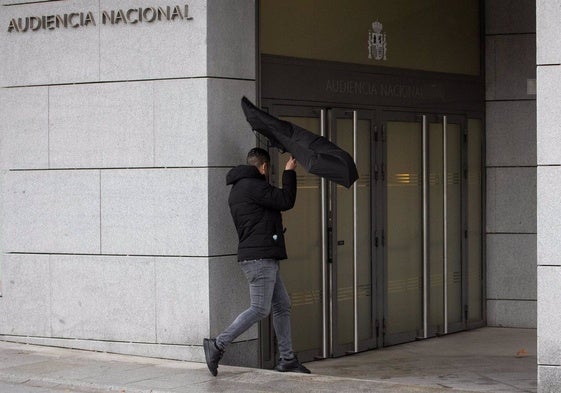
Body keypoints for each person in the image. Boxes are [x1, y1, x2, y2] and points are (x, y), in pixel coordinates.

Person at [203, 147, 310, 376]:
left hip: (260, 256)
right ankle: (217, 344)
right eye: (267, 169)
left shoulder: (239, 188)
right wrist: (289, 172)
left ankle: (287, 359)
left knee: (282, 305)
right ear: (263, 167)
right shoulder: (254, 186)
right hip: (259, 258)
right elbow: (285, 200)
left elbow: (262, 215)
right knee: (260, 309)